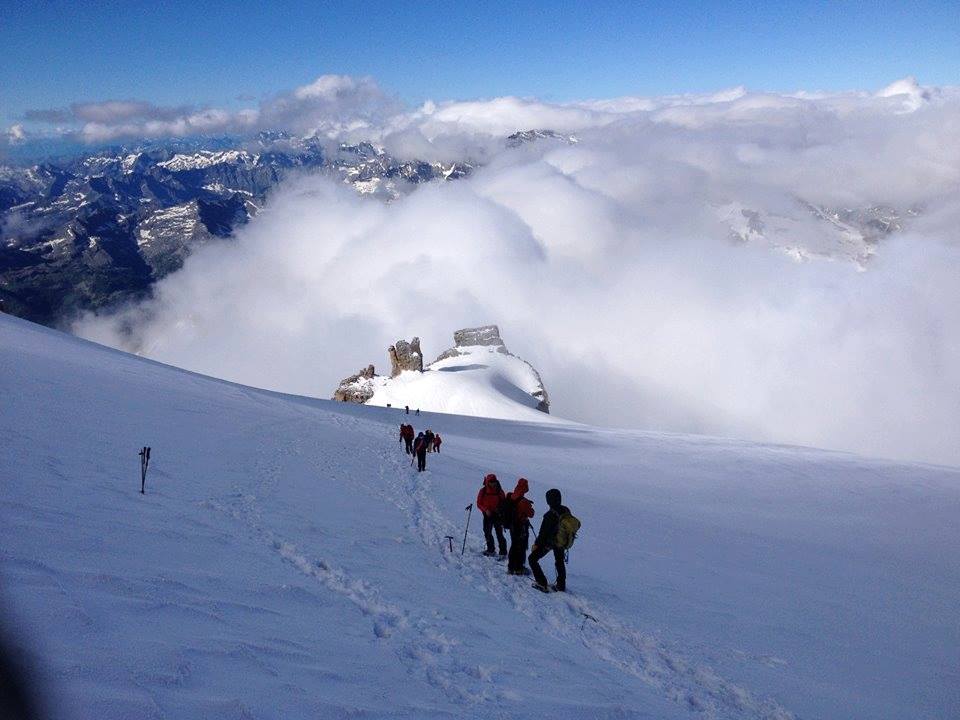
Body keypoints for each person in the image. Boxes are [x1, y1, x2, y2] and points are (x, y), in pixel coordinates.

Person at [529, 488, 568, 592]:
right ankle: (561, 585)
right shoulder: (565, 510)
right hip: (561, 541)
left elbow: (543, 534)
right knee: (559, 561)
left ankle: (541, 583)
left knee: (532, 559)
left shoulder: (549, 515)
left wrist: (536, 545)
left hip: (550, 542)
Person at [505, 477, 535, 575]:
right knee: (521, 546)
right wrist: (529, 506)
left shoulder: (512, 496)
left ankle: (511, 566)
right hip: (521, 525)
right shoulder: (523, 501)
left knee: (514, 545)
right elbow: (531, 514)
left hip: (512, 525)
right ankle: (519, 567)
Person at [476, 474, 507, 557]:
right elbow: (479, 503)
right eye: (491, 482)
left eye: (494, 481)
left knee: (499, 533)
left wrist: (499, 509)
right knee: (487, 532)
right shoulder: (483, 491)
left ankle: (503, 552)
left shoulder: (499, 491)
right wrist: (485, 510)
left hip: (497, 515)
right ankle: (491, 549)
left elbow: (504, 503)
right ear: (487, 482)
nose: (494, 483)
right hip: (487, 515)